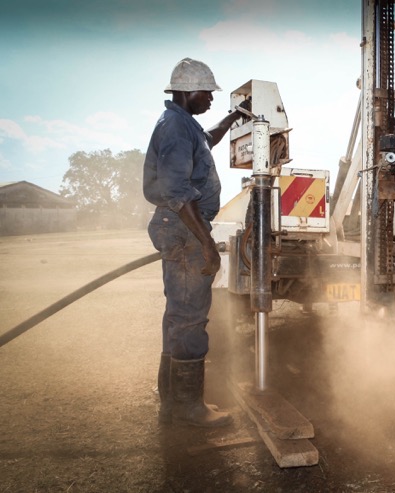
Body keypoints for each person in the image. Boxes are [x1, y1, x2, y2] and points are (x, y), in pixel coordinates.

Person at [143, 58, 248, 427]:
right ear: (189, 91)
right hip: (184, 227)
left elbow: (210, 137)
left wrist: (235, 117)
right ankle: (188, 409)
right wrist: (205, 241)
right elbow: (177, 191)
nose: (211, 100)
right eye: (207, 94)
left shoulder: (183, 124)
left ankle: (173, 405)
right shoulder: (174, 128)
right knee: (189, 317)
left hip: (179, 226)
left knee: (178, 315)